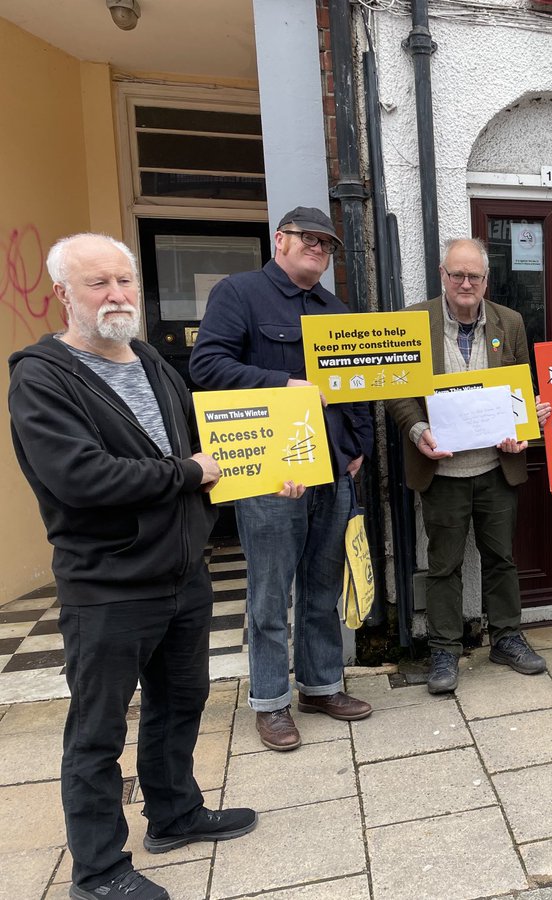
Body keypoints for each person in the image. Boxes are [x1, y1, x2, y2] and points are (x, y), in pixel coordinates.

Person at [9, 234, 256, 900]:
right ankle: (98, 871)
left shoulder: (148, 359)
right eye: (98, 284)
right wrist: (189, 472)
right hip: (109, 587)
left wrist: (263, 470)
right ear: (64, 293)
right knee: (97, 733)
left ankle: (174, 814)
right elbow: (79, 477)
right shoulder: (41, 376)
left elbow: (202, 447)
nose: (117, 295)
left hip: (183, 574)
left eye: (125, 281)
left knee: (181, 704)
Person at [190, 207, 374, 751]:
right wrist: (283, 383)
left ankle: (320, 686)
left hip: (333, 470)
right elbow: (207, 367)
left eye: (327, 244)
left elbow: (355, 384)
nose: (318, 249)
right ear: (280, 241)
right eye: (308, 239)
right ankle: (270, 703)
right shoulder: (239, 293)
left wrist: (357, 446)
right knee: (269, 594)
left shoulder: (334, 307)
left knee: (322, 585)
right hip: (272, 471)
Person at [386, 238, 550, 695]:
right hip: (441, 471)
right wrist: (419, 432)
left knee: (502, 558)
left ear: (485, 280)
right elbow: (397, 390)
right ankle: (444, 650)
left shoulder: (509, 322)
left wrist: (525, 425)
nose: (464, 283)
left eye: (473, 276)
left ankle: (506, 638)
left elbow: (521, 386)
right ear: (442, 273)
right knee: (443, 565)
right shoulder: (412, 321)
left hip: (497, 468)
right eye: (456, 274)